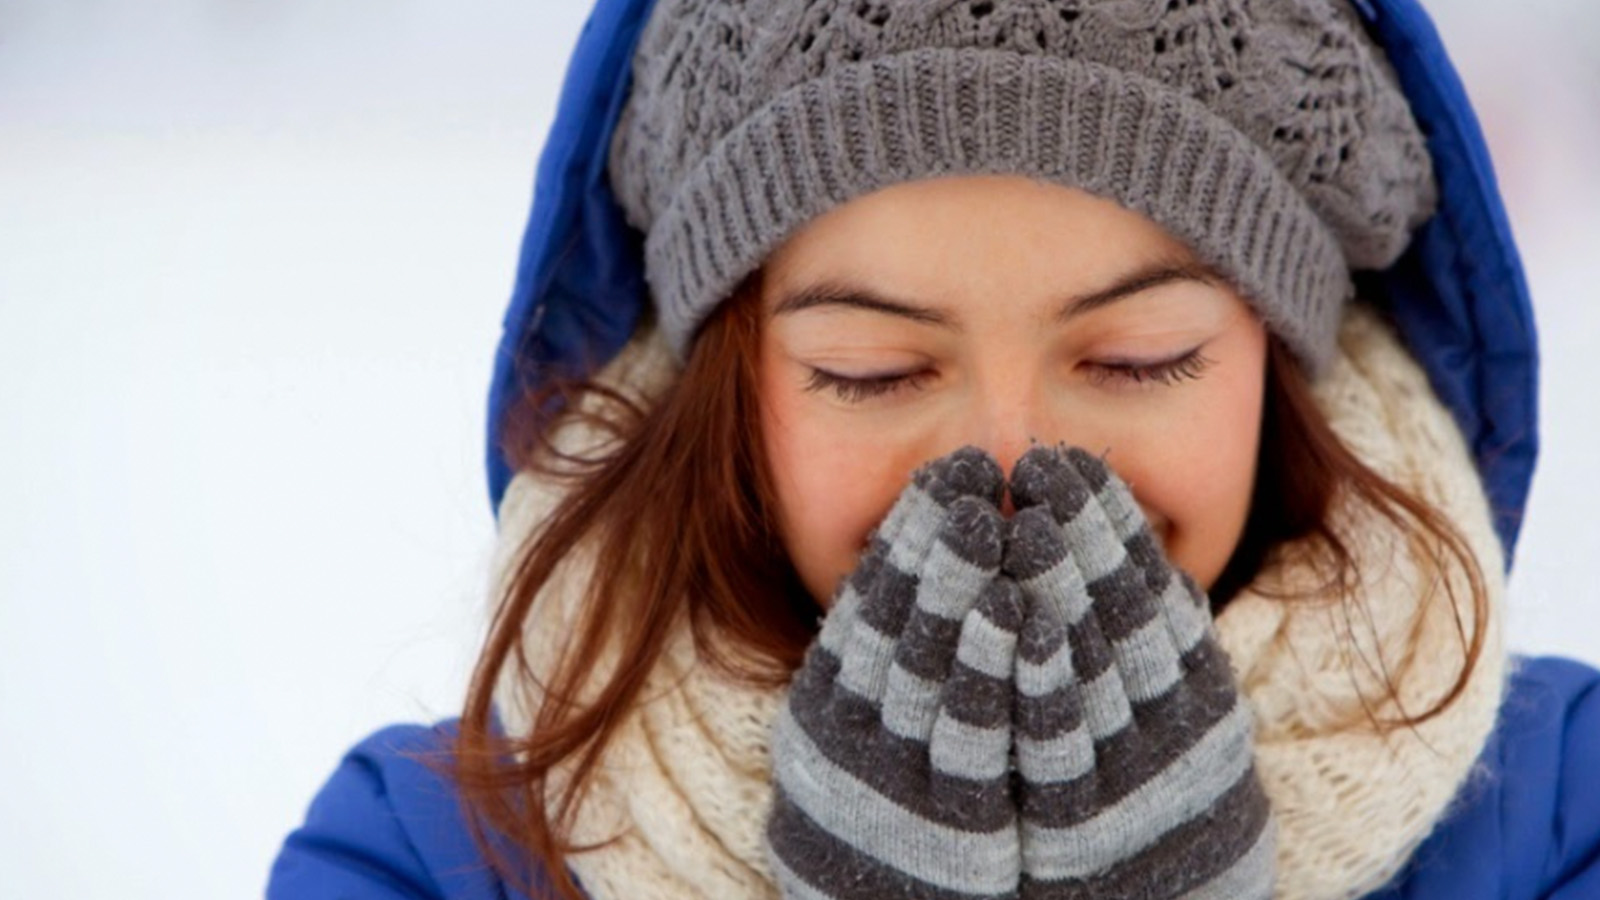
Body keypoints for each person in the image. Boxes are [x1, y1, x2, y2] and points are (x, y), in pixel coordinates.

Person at [267, 0, 1600, 898]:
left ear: (1281, 361)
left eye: (1138, 359)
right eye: (875, 371)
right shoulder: (425, 855)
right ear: (724, 391)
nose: (1011, 466)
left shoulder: (1562, 815)